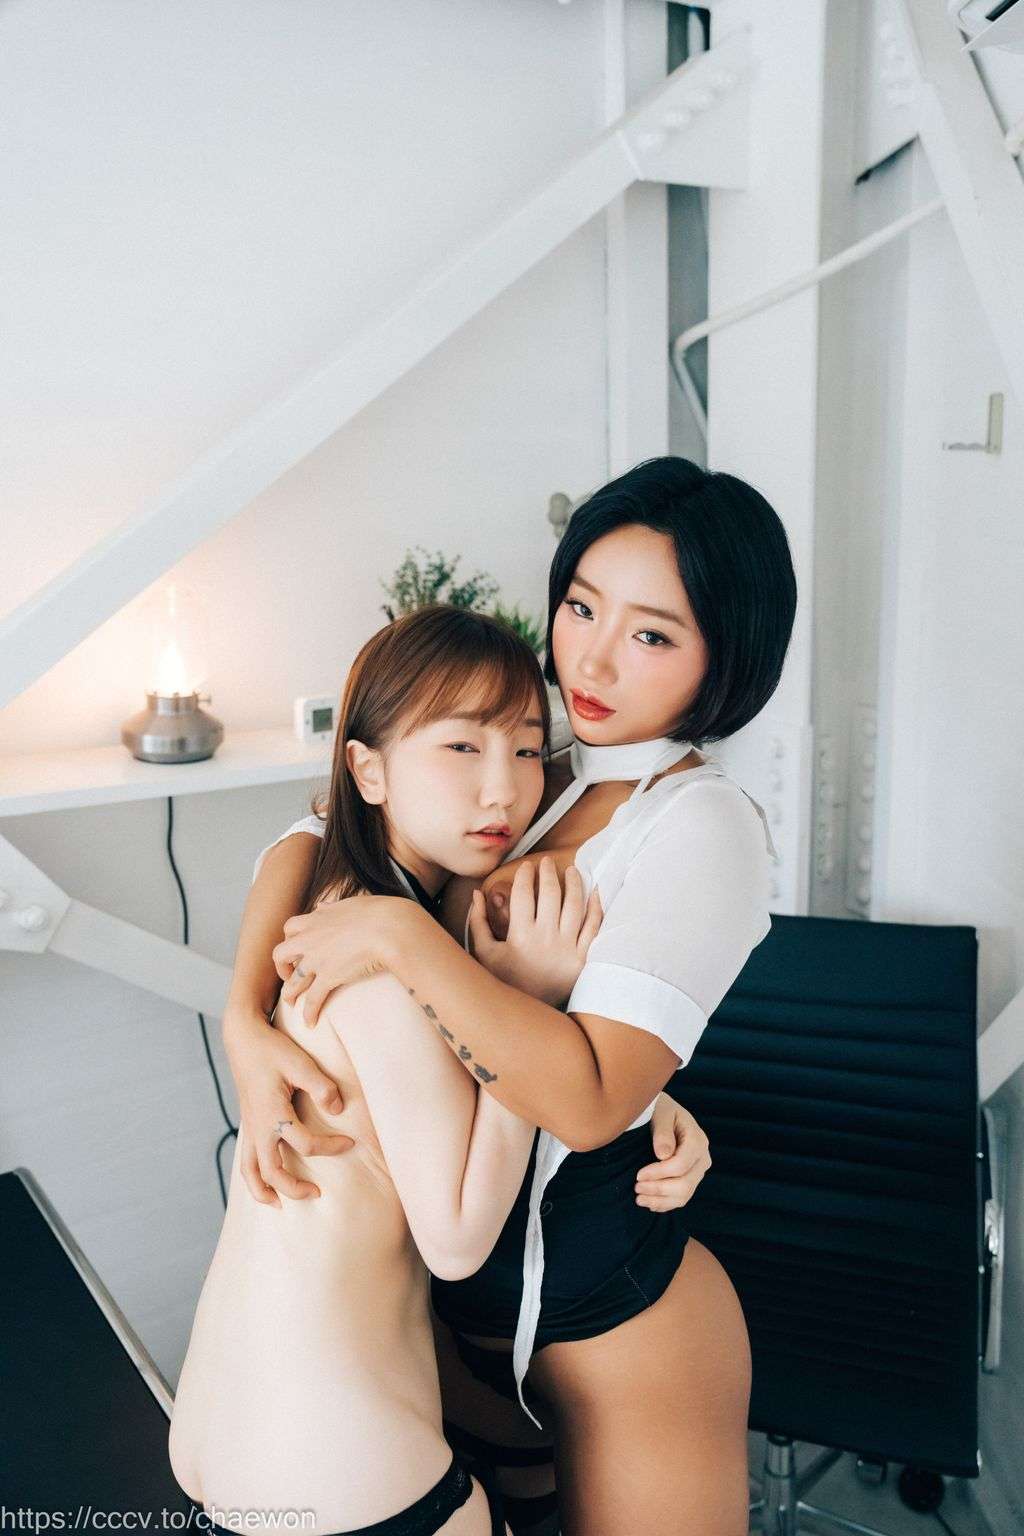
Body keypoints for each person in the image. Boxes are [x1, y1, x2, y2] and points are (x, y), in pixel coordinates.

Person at [229, 455, 797, 1536]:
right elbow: (320, 830)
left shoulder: (702, 825)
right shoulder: (541, 770)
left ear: (726, 655)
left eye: (652, 635)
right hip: (448, 1326)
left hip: (616, 1333)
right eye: (581, 606)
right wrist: (241, 1016)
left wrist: (408, 940)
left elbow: (585, 1101)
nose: (591, 656)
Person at [169, 605, 694, 1536]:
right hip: (338, 1461)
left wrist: (645, 1096)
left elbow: (302, 834)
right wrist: (526, 1002)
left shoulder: (342, 905)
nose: (504, 790)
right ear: (367, 770)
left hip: (227, 1428)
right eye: (461, 747)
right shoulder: (378, 970)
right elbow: (454, 1242)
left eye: (527, 749)